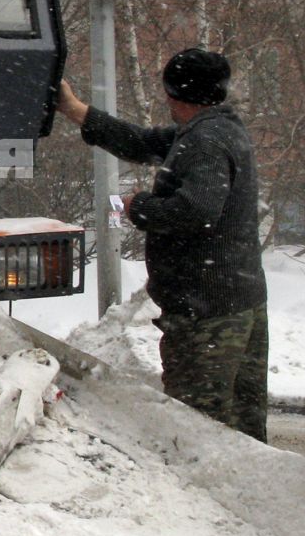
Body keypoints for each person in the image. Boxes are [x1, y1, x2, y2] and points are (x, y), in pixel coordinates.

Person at [56, 48, 270, 442]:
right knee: (244, 431)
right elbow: (142, 143)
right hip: (236, 301)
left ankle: (208, 502)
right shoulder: (218, 129)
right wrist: (76, 110)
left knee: (200, 430)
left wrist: (142, 207)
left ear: (174, 93)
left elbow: (197, 211)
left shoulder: (204, 141)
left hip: (209, 315)